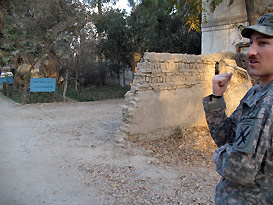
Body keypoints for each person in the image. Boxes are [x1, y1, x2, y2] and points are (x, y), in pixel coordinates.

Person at [202, 12, 273, 204]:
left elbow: (239, 169)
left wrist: (218, 155)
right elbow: (226, 136)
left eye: (263, 43)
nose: (250, 51)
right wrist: (217, 97)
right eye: (251, 43)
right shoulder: (257, 92)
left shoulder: (269, 103)